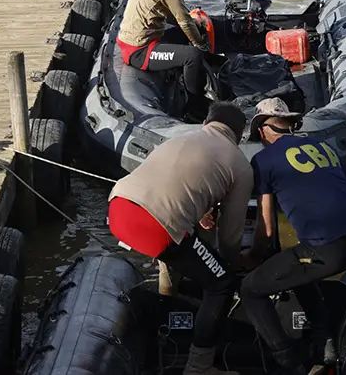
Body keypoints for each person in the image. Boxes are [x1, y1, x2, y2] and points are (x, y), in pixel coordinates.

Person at [240, 98, 346, 375]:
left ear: (261, 131)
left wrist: (253, 256)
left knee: (250, 289)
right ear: (291, 125)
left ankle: (289, 365)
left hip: (327, 250)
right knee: (296, 262)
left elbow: (267, 228)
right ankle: (323, 343)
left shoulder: (263, 160)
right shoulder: (323, 147)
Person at [107, 101, 253, 375]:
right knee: (221, 283)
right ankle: (199, 366)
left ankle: (167, 307)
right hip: (157, 226)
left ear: (207, 123)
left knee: (179, 248)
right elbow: (231, 236)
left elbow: (176, 185)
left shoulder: (181, 139)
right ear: (239, 133)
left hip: (118, 207)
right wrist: (233, 264)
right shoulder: (240, 165)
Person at [117, 0, 212, 121]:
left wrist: (194, 29)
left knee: (189, 35)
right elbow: (183, 20)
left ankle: (188, 82)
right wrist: (201, 44)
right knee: (192, 55)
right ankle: (194, 106)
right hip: (138, 50)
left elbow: (172, 16)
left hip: (141, 38)